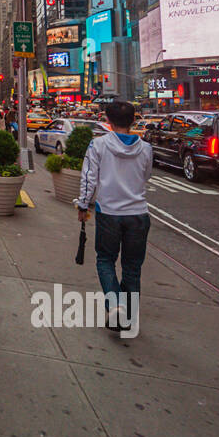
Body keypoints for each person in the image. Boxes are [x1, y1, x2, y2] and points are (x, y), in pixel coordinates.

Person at [76, 99, 153, 333]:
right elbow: (146, 176)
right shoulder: (146, 148)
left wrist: (83, 206)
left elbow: (88, 178)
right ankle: (127, 315)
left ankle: (116, 305)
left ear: (107, 120)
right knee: (132, 266)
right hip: (139, 214)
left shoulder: (98, 145)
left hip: (109, 213)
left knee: (105, 260)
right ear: (132, 120)